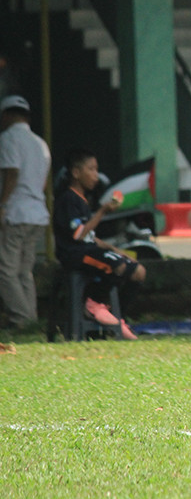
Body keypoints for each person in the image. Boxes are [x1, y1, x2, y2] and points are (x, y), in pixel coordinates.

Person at [53, 148, 144, 340]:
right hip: (75, 254)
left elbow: (90, 237)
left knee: (138, 271)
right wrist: (102, 212)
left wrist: (114, 249)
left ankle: (115, 317)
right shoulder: (68, 199)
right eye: (91, 169)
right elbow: (78, 235)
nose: (96, 175)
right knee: (116, 266)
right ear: (76, 173)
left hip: (88, 250)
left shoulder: (83, 201)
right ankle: (93, 303)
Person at [0, 95, 51, 330]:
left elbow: (11, 173)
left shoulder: (8, 139)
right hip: (37, 213)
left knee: (5, 269)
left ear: (6, 116)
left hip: (16, 212)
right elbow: (41, 182)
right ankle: (30, 318)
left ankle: (21, 318)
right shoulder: (40, 143)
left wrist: (2, 204)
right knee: (24, 271)